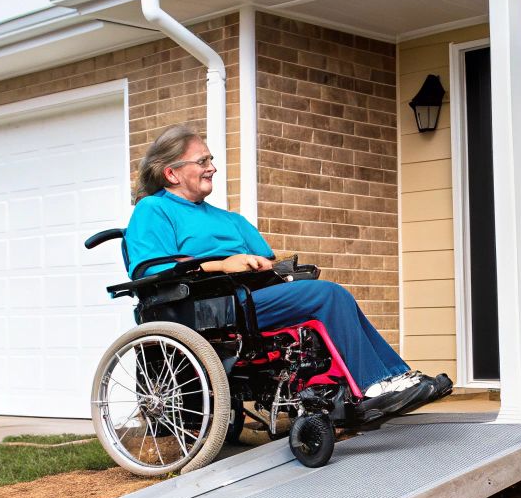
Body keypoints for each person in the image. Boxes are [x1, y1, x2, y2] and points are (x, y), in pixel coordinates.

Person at [124, 123, 449, 413]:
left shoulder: (230, 219)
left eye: (211, 160)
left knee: (330, 295)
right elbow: (151, 271)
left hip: (251, 297)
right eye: (203, 161)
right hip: (208, 308)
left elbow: (265, 258)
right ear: (171, 173)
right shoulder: (153, 210)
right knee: (327, 296)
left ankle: (394, 378)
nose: (212, 168)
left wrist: (265, 266)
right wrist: (220, 264)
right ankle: (374, 384)